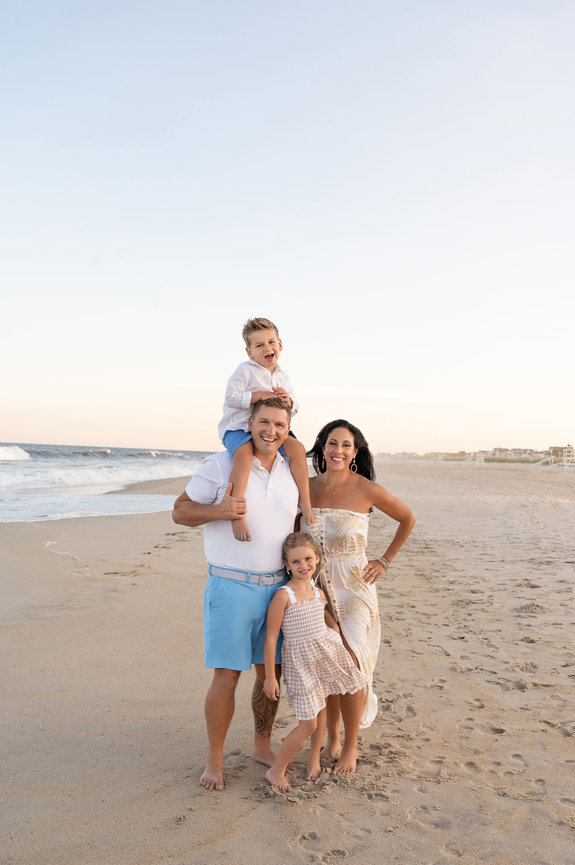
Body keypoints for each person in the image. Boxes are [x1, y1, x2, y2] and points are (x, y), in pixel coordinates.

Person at [172, 397, 299, 791]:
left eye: (280, 424)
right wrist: (221, 511)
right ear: (249, 422)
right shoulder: (220, 464)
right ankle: (214, 759)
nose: (271, 431)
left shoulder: (290, 467)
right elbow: (180, 511)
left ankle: (263, 745)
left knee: (270, 674)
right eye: (264, 422)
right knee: (227, 675)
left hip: (278, 588)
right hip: (231, 585)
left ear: (287, 428)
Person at [306, 419, 416, 773]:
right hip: (318, 590)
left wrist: (384, 561)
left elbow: (407, 518)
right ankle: (333, 737)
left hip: (355, 589)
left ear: (355, 452)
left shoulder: (367, 489)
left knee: (353, 665)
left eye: (346, 445)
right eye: (332, 443)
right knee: (330, 666)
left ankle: (350, 746)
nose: (338, 451)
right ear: (323, 447)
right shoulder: (304, 488)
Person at [263, 532, 365, 791]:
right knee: (308, 723)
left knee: (322, 709)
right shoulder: (284, 596)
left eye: (308, 559)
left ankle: (313, 758)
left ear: (317, 559)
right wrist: (270, 677)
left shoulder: (318, 592)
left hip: (324, 655)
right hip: (301, 663)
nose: (303, 566)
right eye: (295, 562)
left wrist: (337, 638)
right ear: (286, 564)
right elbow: (271, 638)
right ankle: (276, 770)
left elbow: (326, 619)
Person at [218, 316, 313, 542]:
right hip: (239, 427)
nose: (267, 348)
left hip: (272, 429)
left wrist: (287, 401)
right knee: (244, 456)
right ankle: (237, 513)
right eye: (259, 345)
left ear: (280, 344)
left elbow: (296, 407)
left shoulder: (282, 375)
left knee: (297, 449)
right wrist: (259, 396)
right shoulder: (245, 371)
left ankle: (306, 502)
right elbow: (231, 398)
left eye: (271, 342)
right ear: (250, 352)